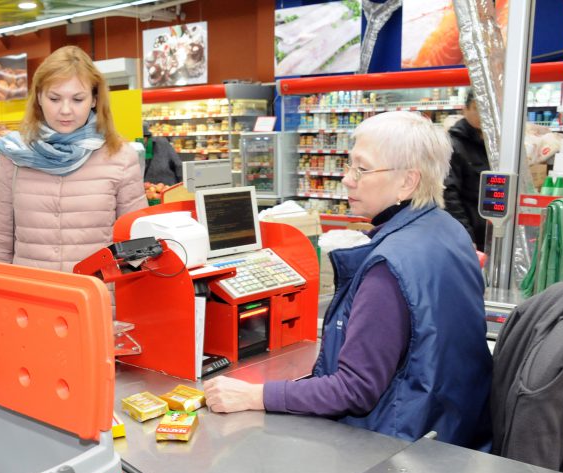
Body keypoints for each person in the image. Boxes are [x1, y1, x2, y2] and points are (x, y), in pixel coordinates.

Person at [204, 111, 492, 450]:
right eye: (349, 165)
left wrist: (255, 395)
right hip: (449, 429)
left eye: (362, 169)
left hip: (395, 442)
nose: (347, 179)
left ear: (407, 182)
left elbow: (354, 389)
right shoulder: (449, 230)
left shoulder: (389, 266)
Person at [0, 46, 147, 271]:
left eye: (77, 99)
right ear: (39, 97)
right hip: (30, 290)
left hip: (96, 291)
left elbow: (137, 244)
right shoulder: (14, 156)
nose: (65, 110)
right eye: (54, 98)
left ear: (94, 99)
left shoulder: (120, 156)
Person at [444, 89, 490, 251]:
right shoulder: (453, 145)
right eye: (477, 108)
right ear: (465, 109)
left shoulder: (491, 144)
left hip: (489, 231)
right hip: (470, 236)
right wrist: (465, 235)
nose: (483, 114)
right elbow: (449, 195)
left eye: (487, 109)